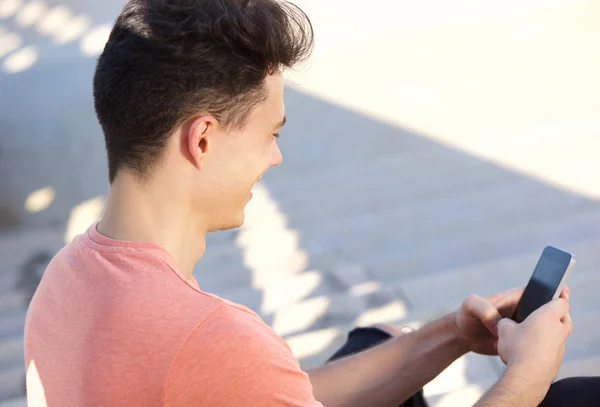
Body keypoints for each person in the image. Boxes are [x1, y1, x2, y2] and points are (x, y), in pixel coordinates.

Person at [23, 0, 599, 406]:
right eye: (270, 134)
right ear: (202, 139)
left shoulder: (65, 281)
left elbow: (260, 390)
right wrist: (528, 373)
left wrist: (450, 335)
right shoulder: (210, 339)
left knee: (378, 339)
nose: (275, 159)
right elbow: (236, 373)